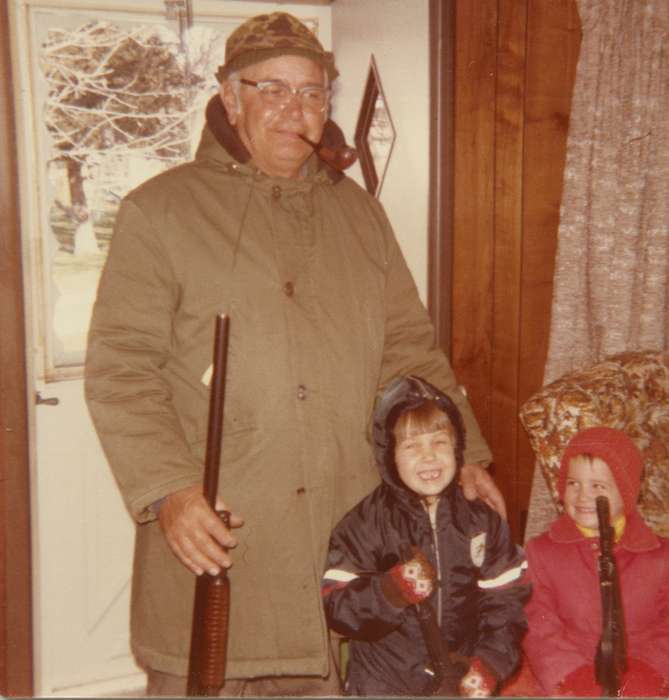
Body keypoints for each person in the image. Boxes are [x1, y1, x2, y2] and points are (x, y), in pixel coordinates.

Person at [84, 12, 503, 697]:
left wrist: (468, 455)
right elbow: (121, 366)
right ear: (229, 97)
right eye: (270, 89)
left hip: (350, 520)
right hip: (224, 523)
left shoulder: (359, 213)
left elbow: (408, 347)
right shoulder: (158, 212)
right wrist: (167, 490)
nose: (294, 109)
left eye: (311, 92)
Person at [321, 376, 528, 697]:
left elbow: (507, 607)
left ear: (457, 447)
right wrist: (390, 591)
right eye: (412, 446)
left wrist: (489, 663)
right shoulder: (365, 523)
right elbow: (337, 606)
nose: (429, 457)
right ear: (389, 455)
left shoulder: (481, 522)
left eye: (439, 443)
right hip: (383, 684)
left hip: (456, 681)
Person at [522, 426, 669, 696]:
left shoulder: (660, 556)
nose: (582, 495)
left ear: (626, 492)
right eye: (572, 483)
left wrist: (652, 671)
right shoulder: (541, 552)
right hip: (570, 682)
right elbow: (538, 626)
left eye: (598, 486)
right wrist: (570, 675)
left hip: (648, 680)